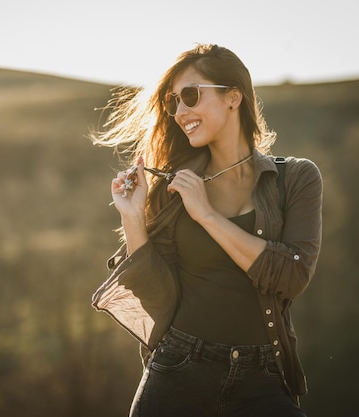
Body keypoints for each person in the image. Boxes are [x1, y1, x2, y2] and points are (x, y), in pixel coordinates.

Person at [91, 44, 322, 417]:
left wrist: (207, 215)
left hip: (263, 379)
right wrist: (132, 217)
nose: (181, 112)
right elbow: (157, 300)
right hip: (179, 370)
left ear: (234, 97)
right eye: (173, 103)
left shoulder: (295, 178)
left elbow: (292, 275)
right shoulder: (174, 187)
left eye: (190, 96)